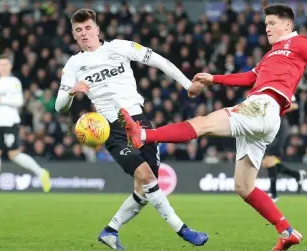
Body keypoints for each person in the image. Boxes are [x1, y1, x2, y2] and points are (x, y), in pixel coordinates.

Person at [119, 4, 307, 250]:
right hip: (263, 117)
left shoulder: (301, 43)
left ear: (288, 24)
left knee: (203, 123)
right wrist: (214, 79)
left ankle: (143, 135)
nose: (267, 28)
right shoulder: (270, 54)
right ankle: (286, 232)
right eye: (266, 24)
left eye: (272, 23)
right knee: (243, 186)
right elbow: (249, 78)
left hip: (264, 106)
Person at [54, 9, 207, 250]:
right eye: (78, 30)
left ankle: (110, 231)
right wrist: (71, 91)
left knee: (145, 189)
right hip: (111, 128)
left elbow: (159, 60)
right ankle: (183, 229)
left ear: (97, 29)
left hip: (139, 121)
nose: (84, 34)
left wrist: (188, 84)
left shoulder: (120, 47)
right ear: (73, 35)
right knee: (146, 177)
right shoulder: (74, 64)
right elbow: (60, 107)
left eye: (87, 28)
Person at [0, 56, 51, 198]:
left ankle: (41, 172)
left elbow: (19, 101)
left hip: (11, 122)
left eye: (6, 64)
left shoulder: (14, 82)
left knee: (14, 155)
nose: (3, 67)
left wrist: (0, 100)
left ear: (10, 67)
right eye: (1, 64)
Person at [262, 95, 307, 203]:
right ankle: (297, 175)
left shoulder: (284, 91)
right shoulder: (270, 92)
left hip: (280, 125)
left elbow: (295, 105)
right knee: (267, 162)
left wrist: (277, 110)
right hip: (272, 126)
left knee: (269, 159)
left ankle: (274, 194)